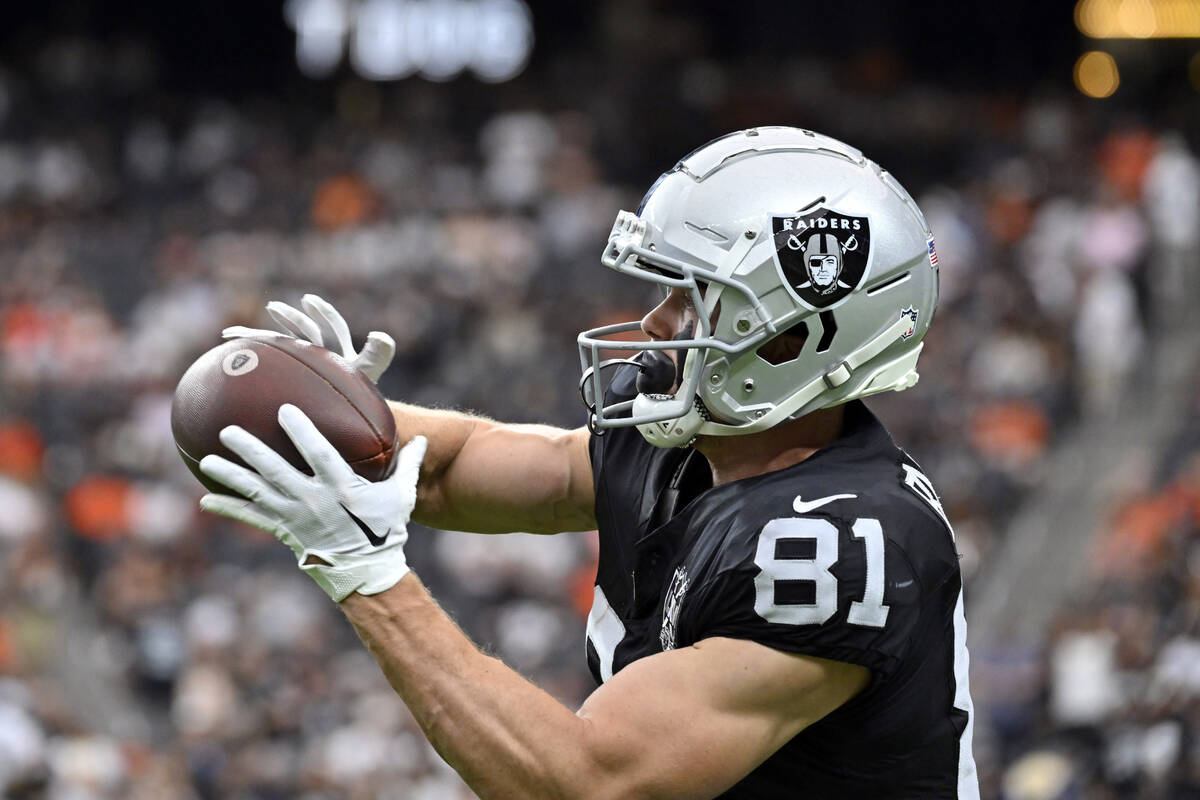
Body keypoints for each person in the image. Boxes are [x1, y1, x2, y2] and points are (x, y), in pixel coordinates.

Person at [198, 127, 978, 798]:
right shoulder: (695, 434)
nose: (655, 322)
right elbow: (452, 468)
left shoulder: (844, 547)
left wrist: (367, 577)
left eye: (692, 298)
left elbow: (587, 782)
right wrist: (342, 421)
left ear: (788, 339)